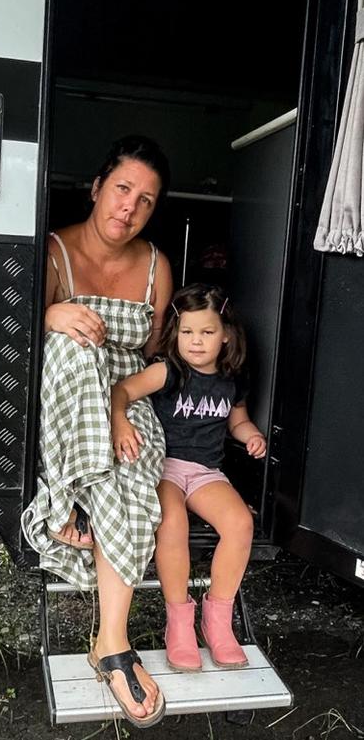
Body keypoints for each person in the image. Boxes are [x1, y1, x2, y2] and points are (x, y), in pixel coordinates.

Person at [21, 136, 173, 729]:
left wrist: (118, 405)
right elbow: (19, 335)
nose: (129, 208)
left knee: (132, 484)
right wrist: (48, 314)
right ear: (96, 188)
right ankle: (70, 495)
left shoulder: (158, 268)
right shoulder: (54, 252)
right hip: (63, 409)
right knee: (71, 344)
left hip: (126, 405)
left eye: (146, 200)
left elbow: (165, 364)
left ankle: (110, 640)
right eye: (122, 189)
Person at [110, 283, 267, 673]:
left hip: (206, 471)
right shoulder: (169, 371)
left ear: (226, 334)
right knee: (173, 524)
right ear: (175, 334)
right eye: (187, 332)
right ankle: (179, 622)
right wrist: (119, 423)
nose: (196, 342)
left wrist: (252, 436)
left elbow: (238, 420)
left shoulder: (232, 378)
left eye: (207, 332)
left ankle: (217, 622)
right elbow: (122, 391)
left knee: (240, 523)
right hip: (165, 467)